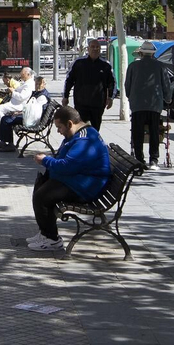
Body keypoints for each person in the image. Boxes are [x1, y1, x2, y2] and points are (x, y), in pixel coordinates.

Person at [25, 106, 111, 252]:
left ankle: (51, 239)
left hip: (85, 187)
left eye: (59, 127)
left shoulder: (84, 140)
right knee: (42, 184)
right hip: (79, 180)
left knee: (42, 195)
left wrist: (45, 161)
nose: (58, 131)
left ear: (70, 124)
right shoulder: (78, 135)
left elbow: (67, 165)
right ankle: (46, 233)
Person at [123, 41, 173, 169]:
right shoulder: (161, 66)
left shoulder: (133, 66)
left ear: (141, 52)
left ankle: (139, 159)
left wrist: (131, 97)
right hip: (155, 104)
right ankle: (154, 160)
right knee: (154, 132)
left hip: (137, 104)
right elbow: (166, 85)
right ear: (153, 54)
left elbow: (127, 85)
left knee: (137, 132)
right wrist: (167, 99)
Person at [63, 39, 116, 129]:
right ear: (88, 49)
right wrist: (65, 96)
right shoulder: (79, 63)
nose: (95, 49)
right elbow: (69, 80)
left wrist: (110, 98)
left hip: (98, 104)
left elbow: (112, 82)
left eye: (97, 47)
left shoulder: (105, 65)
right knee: (80, 129)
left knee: (95, 130)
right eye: (92, 47)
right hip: (81, 104)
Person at [0, 67, 38, 151]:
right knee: (0, 112)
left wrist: (13, 91)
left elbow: (22, 97)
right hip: (15, 103)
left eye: (22, 74)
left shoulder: (29, 84)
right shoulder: (26, 82)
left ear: (28, 74)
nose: (21, 75)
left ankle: (5, 135)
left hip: (19, 106)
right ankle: (4, 136)